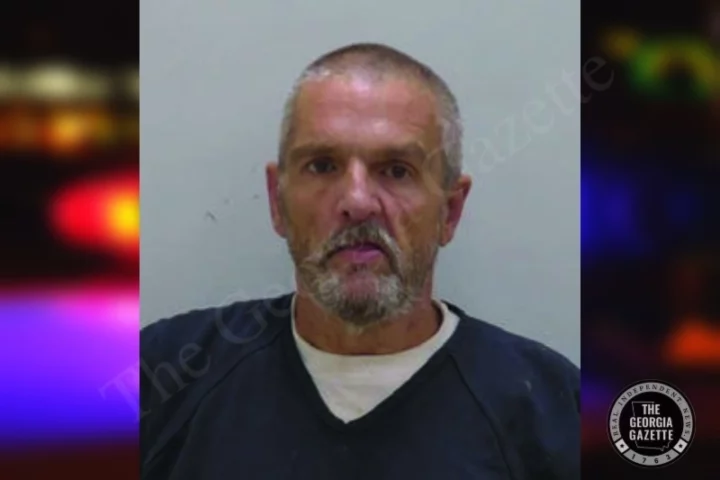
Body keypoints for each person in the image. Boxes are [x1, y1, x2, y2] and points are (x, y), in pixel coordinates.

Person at [140, 42, 579, 480]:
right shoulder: (166, 375)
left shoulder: (552, 412)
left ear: (450, 211)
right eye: (322, 166)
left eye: (397, 170)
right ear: (276, 201)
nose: (357, 202)